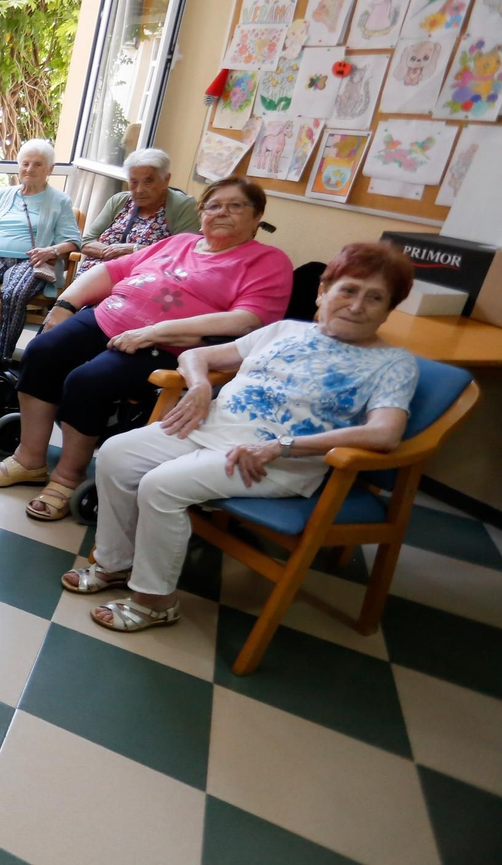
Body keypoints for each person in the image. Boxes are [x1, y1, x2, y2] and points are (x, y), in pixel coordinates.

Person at [64, 242, 419, 633]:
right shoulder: (284, 330)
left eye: (375, 298)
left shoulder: (393, 363)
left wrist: (281, 446)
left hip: (276, 458)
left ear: (389, 309)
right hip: (210, 427)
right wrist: (199, 387)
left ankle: (155, 601)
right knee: (115, 453)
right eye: (348, 290)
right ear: (323, 291)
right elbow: (197, 356)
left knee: (160, 486)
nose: (356, 306)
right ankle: (115, 564)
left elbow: (385, 432)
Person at [0, 177, 293, 522]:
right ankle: (29, 459)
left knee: (87, 381)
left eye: (236, 206)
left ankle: (66, 478)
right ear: (201, 213)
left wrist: (155, 331)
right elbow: (112, 271)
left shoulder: (267, 262)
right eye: (214, 205)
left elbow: (246, 321)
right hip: (108, 316)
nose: (222, 213)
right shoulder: (179, 242)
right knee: (41, 352)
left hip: (170, 344)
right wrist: (64, 305)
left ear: (257, 216)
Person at [0, 138, 81, 363]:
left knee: (14, 293)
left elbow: (73, 240)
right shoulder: (2, 195)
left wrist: (51, 250)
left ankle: (3, 357)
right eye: (25, 163)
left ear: (50, 169)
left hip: (31, 260)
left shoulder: (59, 201)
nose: (29, 169)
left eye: (38, 164)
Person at [73, 148, 200, 278]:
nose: (139, 190)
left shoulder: (184, 206)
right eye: (134, 182)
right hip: (89, 279)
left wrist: (132, 249)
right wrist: (111, 253)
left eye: (148, 181)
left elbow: (182, 254)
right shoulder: (119, 200)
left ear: (166, 180)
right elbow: (86, 242)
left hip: (135, 283)